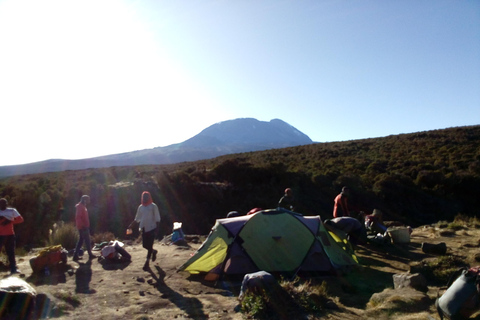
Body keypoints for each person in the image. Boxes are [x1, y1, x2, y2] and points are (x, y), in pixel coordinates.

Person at [128, 191, 161, 271]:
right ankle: (153, 252)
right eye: (144, 197)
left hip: (152, 228)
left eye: (146, 196)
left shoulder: (153, 206)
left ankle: (147, 263)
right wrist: (131, 225)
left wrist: (157, 228)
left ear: (149, 197)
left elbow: (157, 218)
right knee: (145, 245)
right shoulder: (141, 207)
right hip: (143, 228)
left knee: (149, 245)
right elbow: (137, 218)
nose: (145, 198)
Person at [0, 198, 24, 274]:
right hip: (0, 235)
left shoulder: (12, 210)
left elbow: (20, 219)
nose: (2, 205)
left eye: (4, 203)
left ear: (6, 204)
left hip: (10, 234)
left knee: (11, 252)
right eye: (1, 204)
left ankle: (13, 269)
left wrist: (10, 221)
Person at [73, 195, 96, 261]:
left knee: (81, 241)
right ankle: (90, 254)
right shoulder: (80, 207)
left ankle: (75, 256)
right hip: (83, 227)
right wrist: (82, 226)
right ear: (84, 200)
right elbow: (78, 217)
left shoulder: (82, 206)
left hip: (83, 226)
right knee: (87, 240)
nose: (89, 201)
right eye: (88, 200)